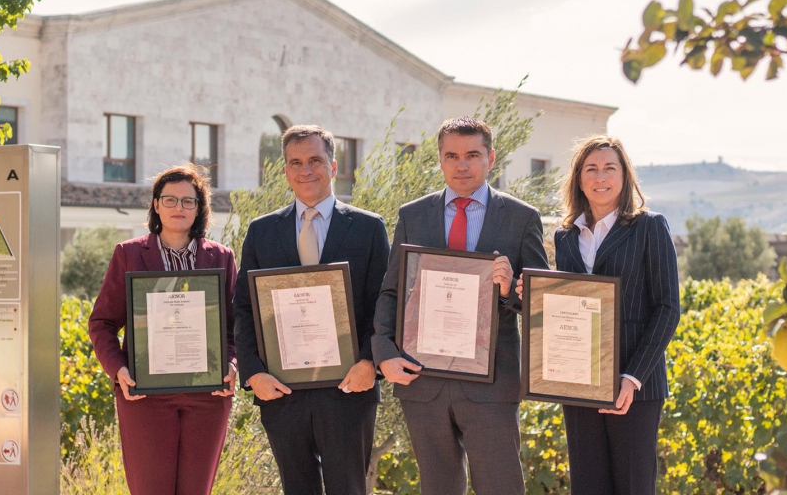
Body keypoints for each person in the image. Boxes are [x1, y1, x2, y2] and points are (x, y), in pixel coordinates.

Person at [371, 116, 549, 495]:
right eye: (451, 155)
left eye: (472, 154)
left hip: (492, 381)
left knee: (500, 487)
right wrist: (384, 353)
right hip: (423, 379)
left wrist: (508, 291)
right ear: (439, 159)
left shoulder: (521, 218)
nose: (462, 164)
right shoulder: (412, 215)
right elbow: (392, 292)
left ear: (491, 158)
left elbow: (541, 304)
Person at [233, 125, 390, 495]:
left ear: (334, 167)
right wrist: (253, 373)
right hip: (281, 391)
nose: (306, 170)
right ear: (285, 171)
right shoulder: (261, 231)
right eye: (296, 162)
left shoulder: (369, 228)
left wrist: (370, 363)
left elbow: (384, 303)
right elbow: (244, 310)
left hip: (350, 388)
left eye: (316, 160)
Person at [518, 135, 679, 495]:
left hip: (635, 385)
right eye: (591, 168)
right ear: (578, 178)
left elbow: (668, 307)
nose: (600, 176)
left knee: (634, 486)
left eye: (610, 168)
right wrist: (532, 296)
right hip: (578, 383)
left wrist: (632, 377)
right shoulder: (564, 236)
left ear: (624, 176)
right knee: (588, 486)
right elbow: (567, 305)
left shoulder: (649, 226)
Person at [88, 164, 238, 495]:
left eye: (188, 201)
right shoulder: (128, 254)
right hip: (145, 396)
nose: (179, 208)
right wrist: (119, 369)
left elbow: (234, 325)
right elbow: (102, 323)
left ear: (200, 208)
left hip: (208, 395)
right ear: (156, 204)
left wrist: (231, 364)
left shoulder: (221, 258)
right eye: (170, 200)